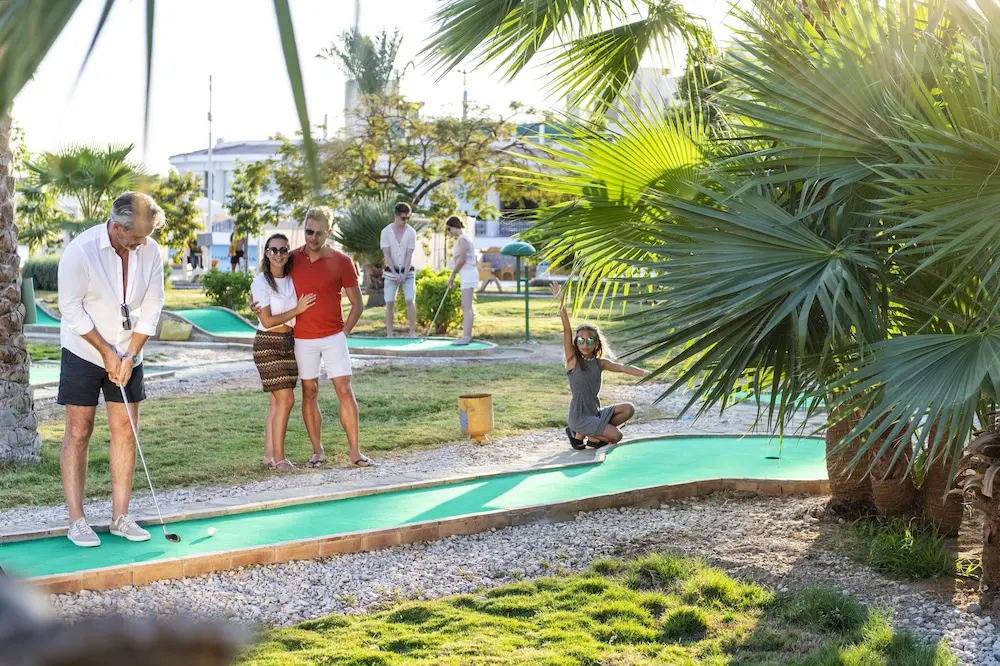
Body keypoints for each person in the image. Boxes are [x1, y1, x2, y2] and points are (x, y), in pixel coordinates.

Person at [57, 192, 166, 547]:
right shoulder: (81, 251)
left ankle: (120, 517)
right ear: (118, 228)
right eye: (137, 236)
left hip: (129, 351)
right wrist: (105, 351)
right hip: (84, 349)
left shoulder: (150, 250)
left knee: (126, 429)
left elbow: (153, 306)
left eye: (148, 235)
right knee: (79, 430)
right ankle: (77, 520)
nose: (143, 242)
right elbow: (70, 309)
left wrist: (130, 355)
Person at [252, 207, 374, 467]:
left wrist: (343, 333)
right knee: (310, 392)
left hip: (333, 336)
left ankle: (355, 452)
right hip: (302, 340)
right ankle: (317, 452)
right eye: (309, 232)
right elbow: (270, 283)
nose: (313, 238)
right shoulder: (292, 258)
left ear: (329, 232)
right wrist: (255, 305)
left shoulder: (342, 261)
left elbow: (357, 304)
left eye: (319, 233)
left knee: (344, 389)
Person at [551, 282, 648, 450]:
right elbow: (567, 329)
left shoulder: (600, 363)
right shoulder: (572, 360)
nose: (585, 344)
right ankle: (583, 434)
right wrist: (561, 302)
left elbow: (622, 367)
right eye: (581, 340)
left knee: (628, 409)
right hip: (580, 417)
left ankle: (585, 436)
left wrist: (647, 374)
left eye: (590, 341)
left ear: (596, 343)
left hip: (595, 414)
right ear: (576, 342)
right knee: (617, 436)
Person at [250, 233, 317, 470]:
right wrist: (297, 310)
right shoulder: (260, 282)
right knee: (286, 400)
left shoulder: (291, 279)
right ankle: (279, 459)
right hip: (268, 344)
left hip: (288, 344)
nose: (278, 254)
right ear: (266, 253)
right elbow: (267, 321)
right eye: (273, 250)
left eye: (283, 249)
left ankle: (270, 455)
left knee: (276, 403)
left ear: (288, 253)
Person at [381, 201, 418, 337]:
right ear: (396, 216)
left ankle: (412, 332)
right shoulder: (386, 232)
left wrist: (404, 273)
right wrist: (395, 273)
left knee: (410, 299)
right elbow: (387, 254)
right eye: (403, 218)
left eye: (408, 218)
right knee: (389, 302)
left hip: (408, 271)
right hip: (391, 272)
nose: (405, 221)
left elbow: (409, 254)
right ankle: (389, 334)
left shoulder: (411, 232)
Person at [445, 215, 478, 345]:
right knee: (466, 306)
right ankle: (466, 335)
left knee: (467, 306)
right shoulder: (463, 238)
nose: (449, 232)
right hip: (467, 274)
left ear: (453, 227)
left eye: (448, 229)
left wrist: (453, 275)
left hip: (468, 274)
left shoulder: (462, 239)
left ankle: (466, 337)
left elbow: (462, 259)